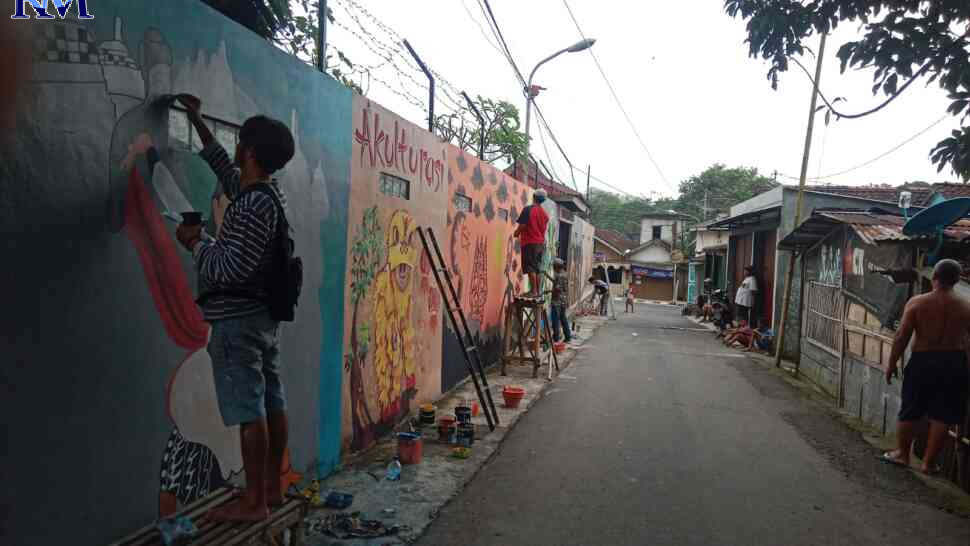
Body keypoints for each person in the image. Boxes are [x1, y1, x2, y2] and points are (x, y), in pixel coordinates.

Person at [174, 94, 295, 522]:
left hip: (238, 322)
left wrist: (195, 242)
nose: (236, 148)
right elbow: (228, 172)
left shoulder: (250, 207)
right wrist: (197, 120)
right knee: (271, 400)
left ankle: (255, 502)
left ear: (250, 152)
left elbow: (228, 269)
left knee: (249, 410)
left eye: (240, 142)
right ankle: (273, 492)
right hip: (262, 319)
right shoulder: (266, 194)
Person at [880, 259, 970, 474]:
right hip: (953, 362)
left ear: (934, 277)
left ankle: (902, 455)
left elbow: (902, 336)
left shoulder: (917, 302)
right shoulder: (966, 306)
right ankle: (928, 464)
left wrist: (891, 364)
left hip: (922, 360)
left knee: (911, 408)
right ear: (957, 280)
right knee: (944, 414)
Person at [515, 189, 550, 298]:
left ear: (534, 196)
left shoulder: (528, 210)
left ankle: (533, 292)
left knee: (530, 267)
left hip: (530, 242)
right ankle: (537, 291)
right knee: (537, 268)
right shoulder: (544, 214)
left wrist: (516, 233)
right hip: (540, 244)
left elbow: (523, 225)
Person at [548, 259, 572, 343]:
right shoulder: (564, 274)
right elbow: (557, 283)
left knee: (555, 319)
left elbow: (557, 289)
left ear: (557, 266)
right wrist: (547, 275)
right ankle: (568, 336)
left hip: (557, 301)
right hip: (563, 300)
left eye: (554, 267)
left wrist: (549, 292)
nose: (553, 268)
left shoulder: (559, 275)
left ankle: (556, 338)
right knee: (563, 318)